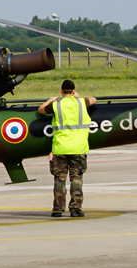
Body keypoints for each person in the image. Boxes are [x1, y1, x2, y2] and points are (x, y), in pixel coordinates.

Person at [38, 79, 96, 218]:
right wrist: (78, 96)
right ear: (74, 91)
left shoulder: (56, 105)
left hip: (60, 148)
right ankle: (76, 209)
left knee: (59, 180)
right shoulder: (82, 103)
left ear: (61, 91)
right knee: (76, 180)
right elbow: (93, 99)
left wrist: (49, 100)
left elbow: (41, 110)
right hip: (78, 148)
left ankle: (58, 209)